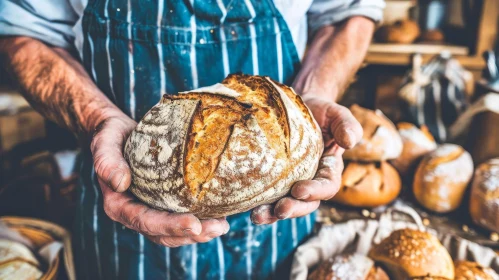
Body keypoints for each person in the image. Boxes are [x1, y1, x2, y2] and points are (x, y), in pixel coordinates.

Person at [0, 0, 383, 279]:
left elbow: (345, 14)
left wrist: (312, 95)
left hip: (277, 225)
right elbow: (26, 32)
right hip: (120, 205)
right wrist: (97, 119)